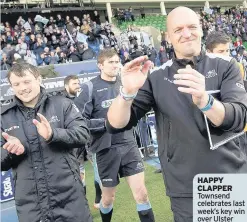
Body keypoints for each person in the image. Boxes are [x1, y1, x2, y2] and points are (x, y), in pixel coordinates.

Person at [106, 7, 247, 221]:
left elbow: (238, 118)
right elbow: (116, 124)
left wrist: (205, 101)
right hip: (184, 186)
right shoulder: (157, 77)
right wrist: (126, 93)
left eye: (192, 27)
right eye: (178, 29)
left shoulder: (225, 66)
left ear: (201, 30)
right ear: (169, 37)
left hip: (227, 176)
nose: (186, 33)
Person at [1, 62, 93, 222]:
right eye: (16, 84)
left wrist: (53, 134)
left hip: (70, 199)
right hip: (31, 207)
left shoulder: (62, 104)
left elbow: (83, 134)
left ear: (38, 79)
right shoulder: (4, 117)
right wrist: (10, 151)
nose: (22, 88)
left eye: (27, 81)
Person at [75, 48, 155, 222]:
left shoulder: (125, 82)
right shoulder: (89, 88)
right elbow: (79, 121)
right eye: (110, 62)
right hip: (105, 149)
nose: (115, 65)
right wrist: (106, 124)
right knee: (108, 198)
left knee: (142, 194)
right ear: (100, 65)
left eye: (117, 61)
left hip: (128, 144)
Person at [206, 30, 247, 153]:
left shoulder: (235, 66)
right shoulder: (202, 69)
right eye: (221, 51)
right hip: (215, 133)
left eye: (227, 50)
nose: (226, 55)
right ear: (209, 52)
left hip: (239, 128)